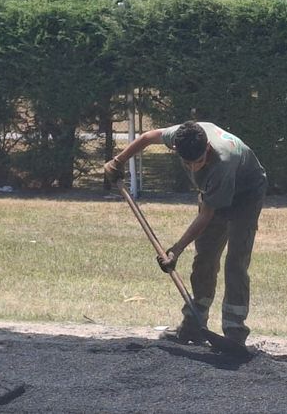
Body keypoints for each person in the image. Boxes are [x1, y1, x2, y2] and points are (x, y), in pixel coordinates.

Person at [104, 121, 267, 346]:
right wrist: (118, 161)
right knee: (204, 260)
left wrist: (176, 250)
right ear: (175, 149)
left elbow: (206, 215)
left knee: (235, 262)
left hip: (246, 195)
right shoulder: (180, 136)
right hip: (213, 192)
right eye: (187, 163)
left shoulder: (222, 163)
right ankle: (193, 326)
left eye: (198, 161)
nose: (193, 168)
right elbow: (148, 137)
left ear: (207, 148)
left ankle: (234, 332)